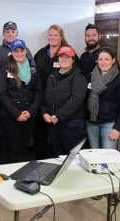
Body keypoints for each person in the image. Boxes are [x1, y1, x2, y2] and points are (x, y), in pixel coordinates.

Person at [0, 39, 42, 163]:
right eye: (15, 51)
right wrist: (16, 114)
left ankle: (22, 176)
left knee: (24, 148)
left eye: (21, 50)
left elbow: (38, 92)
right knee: (12, 148)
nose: (19, 53)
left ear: (25, 51)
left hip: (28, 116)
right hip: (10, 116)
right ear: (12, 52)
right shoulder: (5, 69)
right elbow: (2, 93)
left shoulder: (33, 70)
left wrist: (30, 112)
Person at [33, 24, 71, 159]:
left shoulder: (68, 53)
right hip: (42, 103)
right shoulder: (40, 54)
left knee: (59, 142)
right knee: (40, 137)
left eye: (56, 35)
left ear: (61, 37)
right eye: (50, 35)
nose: (52, 37)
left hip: (60, 105)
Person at [42, 45, 87, 157]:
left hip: (72, 125)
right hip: (54, 125)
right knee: (56, 156)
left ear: (73, 59)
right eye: (61, 57)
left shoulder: (79, 76)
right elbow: (45, 97)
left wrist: (58, 116)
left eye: (67, 57)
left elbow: (76, 99)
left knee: (72, 159)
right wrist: (44, 113)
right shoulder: (52, 75)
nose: (64, 59)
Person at [86, 47, 120, 149]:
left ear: (113, 60)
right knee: (94, 157)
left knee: (108, 157)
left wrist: (117, 128)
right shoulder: (91, 77)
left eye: (107, 59)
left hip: (109, 125)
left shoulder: (119, 80)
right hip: (91, 123)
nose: (103, 62)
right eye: (100, 59)